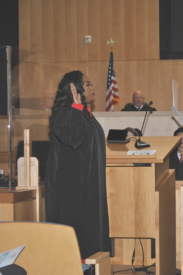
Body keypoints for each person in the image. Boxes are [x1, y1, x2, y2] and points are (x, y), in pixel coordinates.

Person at [45, 71, 109, 259]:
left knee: (93, 234)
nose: (92, 88)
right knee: (77, 240)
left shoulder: (85, 113)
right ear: (75, 89)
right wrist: (75, 106)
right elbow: (72, 139)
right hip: (70, 192)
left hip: (89, 187)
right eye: (88, 84)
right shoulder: (64, 113)